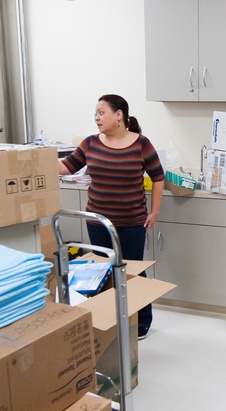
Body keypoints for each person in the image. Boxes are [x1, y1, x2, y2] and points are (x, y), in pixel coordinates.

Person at [59, 94, 165, 339]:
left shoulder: (141, 144)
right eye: (95, 113)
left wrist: (155, 212)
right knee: (101, 271)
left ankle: (141, 321)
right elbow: (66, 167)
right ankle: (106, 318)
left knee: (133, 272)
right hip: (98, 222)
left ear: (119, 115)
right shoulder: (90, 143)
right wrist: (34, 161)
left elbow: (158, 177)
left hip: (132, 223)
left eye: (101, 112)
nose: (96, 118)